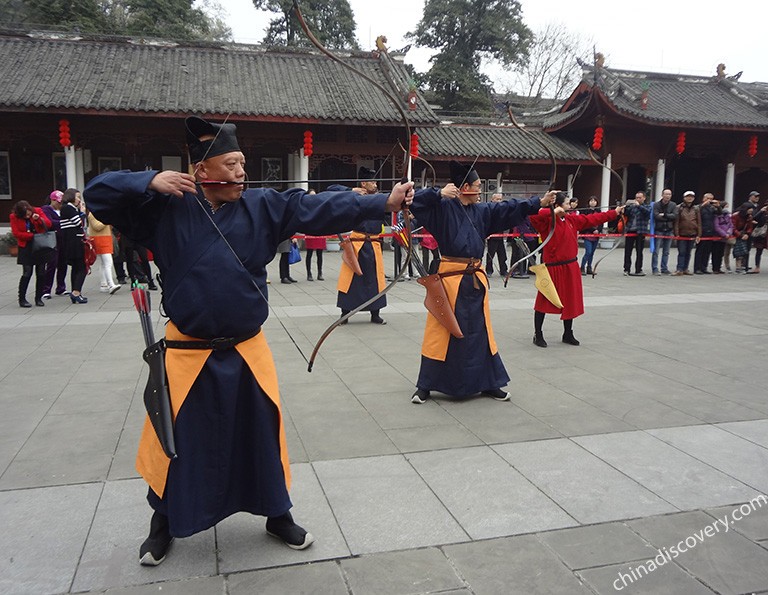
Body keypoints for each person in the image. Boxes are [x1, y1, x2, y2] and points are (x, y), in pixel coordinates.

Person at [84, 115, 414, 566]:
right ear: (202, 171)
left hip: (245, 347)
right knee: (172, 439)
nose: (242, 171)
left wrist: (385, 203)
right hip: (187, 351)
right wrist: (150, 180)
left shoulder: (265, 206)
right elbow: (99, 193)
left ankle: (278, 514)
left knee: (263, 433)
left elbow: (315, 209)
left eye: (243, 163)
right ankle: (162, 524)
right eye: (232, 163)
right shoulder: (163, 208)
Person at [409, 161, 553, 405]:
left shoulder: (483, 211)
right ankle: (425, 385)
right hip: (449, 281)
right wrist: (438, 192)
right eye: (477, 186)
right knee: (441, 332)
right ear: (464, 188)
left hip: (474, 279)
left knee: (479, 332)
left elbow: (509, 208)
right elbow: (413, 201)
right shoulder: (441, 208)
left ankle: (488, 382)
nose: (480, 191)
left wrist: (538, 202)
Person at [530, 192, 623, 348]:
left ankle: (568, 333)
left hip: (570, 266)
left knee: (569, 300)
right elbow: (534, 217)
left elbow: (593, 219)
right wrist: (552, 212)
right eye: (567, 203)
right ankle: (537, 334)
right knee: (544, 301)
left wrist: (614, 212)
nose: (570, 206)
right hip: (553, 267)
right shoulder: (547, 220)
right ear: (558, 205)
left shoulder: (571, 219)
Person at [332, 167, 389, 324]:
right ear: (363, 183)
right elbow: (331, 189)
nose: (375, 184)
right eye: (372, 181)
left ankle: (375, 314)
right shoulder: (354, 196)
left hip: (374, 244)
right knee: (351, 278)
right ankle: (345, 314)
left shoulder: (381, 199)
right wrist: (352, 190)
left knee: (374, 280)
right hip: (357, 244)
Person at [10, 200, 52, 307]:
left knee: (41, 272)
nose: (28, 216)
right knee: (27, 273)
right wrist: (30, 236)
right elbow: (16, 233)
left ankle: (38, 297)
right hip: (26, 246)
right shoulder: (14, 217)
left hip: (39, 245)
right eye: (25, 215)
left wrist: (38, 220)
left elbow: (48, 224)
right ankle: (22, 298)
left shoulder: (37, 211)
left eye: (29, 213)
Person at [59, 188, 88, 303]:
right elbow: (79, 223)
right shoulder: (68, 208)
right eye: (77, 197)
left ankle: (76, 292)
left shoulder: (67, 208)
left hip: (71, 241)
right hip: (74, 242)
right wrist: (82, 212)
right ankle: (76, 292)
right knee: (82, 267)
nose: (79, 200)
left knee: (76, 268)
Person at [87, 211, 121, 293]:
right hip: (101, 240)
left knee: (103, 263)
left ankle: (104, 284)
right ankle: (110, 284)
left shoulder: (97, 213)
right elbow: (97, 226)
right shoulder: (93, 214)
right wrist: (107, 220)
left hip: (104, 239)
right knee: (108, 262)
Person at [40, 190, 66, 298]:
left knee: (63, 264)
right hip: (52, 240)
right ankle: (46, 289)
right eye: (58, 202)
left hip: (64, 239)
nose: (60, 204)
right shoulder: (46, 209)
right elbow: (49, 223)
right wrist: (64, 223)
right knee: (52, 264)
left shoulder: (64, 209)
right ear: (52, 200)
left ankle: (61, 287)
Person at [623, 191, 652, 276]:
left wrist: (639, 206)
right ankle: (626, 269)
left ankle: (638, 269)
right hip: (630, 230)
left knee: (639, 251)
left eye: (640, 198)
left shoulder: (647, 206)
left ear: (644, 198)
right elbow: (626, 214)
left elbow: (647, 213)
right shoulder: (632, 207)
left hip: (640, 231)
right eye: (636, 198)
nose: (638, 199)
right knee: (628, 251)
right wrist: (626, 206)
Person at [673, 191, 701, 275]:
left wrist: (699, 234)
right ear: (684, 198)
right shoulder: (679, 207)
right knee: (682, 252)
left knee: (688, 252)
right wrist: (676, 234)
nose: (690, 198)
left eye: (692, 197)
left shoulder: (696, 208)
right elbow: (676, 222)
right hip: (682, 234)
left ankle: (685, 268)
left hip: (692, 233)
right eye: (688, 196)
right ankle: (679, 269)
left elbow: (699, 222)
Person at [651, 188, 677, 275]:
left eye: (669, 194)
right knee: (656, 251)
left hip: (669, 230)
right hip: (659, 230)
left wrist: (665, 215)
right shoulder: (656, 205)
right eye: (666, 194)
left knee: (666, 251)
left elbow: (674, 216)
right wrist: (667, 216)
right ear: (662, 195)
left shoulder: (673, 205)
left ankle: (664, 268)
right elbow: (656, 216)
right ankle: (655, 268)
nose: (668, 196)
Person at [694, 193, 721, 274]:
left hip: (710, 231)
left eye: (711, 199)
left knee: (707, 251)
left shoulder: (712, 208)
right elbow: (696, 213)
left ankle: (704, 267)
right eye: (708, 198)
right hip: (702, 231)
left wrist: (718, 206)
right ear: (704, 198)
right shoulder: (699, 207)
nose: (709, 200)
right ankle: (697, 268)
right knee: (700, 250)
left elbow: (719, 213)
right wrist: (703, 205)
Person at [302, 190, 326, 281]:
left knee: (320, 254)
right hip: (310, 230)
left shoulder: (320, 204)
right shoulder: (305, 206)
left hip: (320, 230)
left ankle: (320, 273)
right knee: (309, 253)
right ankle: (309, 273)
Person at [485, 193, 508, 277]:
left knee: (502, 255)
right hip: (492, 235)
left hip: (500, 235)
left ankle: (504, 270)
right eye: (497, 199)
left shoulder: (502, 209)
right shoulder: (489, 208)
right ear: (492, 199)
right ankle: (489, 270)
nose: (499, 201)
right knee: (491, 255)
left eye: (500, 199)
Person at [579, 196, 600, 275]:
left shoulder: (599, 211)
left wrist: (599, 230)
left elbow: (601, 222)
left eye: (594, 201)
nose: (593, 202)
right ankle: (582, 267)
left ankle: (589, 267)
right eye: (591, 200)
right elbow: (586, 222)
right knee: (588, 251)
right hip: (588, 234)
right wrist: (593, 230)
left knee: (592, 253)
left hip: (596, 235)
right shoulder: (585, 211)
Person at [732, 203, 755, 273]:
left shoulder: (749, 217)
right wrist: (740, 235)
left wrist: (747, 234)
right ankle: (738, 267)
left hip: (745, 235)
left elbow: (750, 227)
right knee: (738, 252)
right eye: (749, 211)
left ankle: (742, 266)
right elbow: (733, 227)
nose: (750, 212)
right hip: (737, 235)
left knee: (744, 251)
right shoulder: (736, 216)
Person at [712, 202, 733, 274]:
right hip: (717, 237)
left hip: (724, 238)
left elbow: (731, 225)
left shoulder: (728, 216)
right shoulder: (716, 216)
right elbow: (716, 227)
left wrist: (729, 233)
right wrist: (724, 234)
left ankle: (719, 268)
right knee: (716, 253)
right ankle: (715, 268)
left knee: (721, 253)